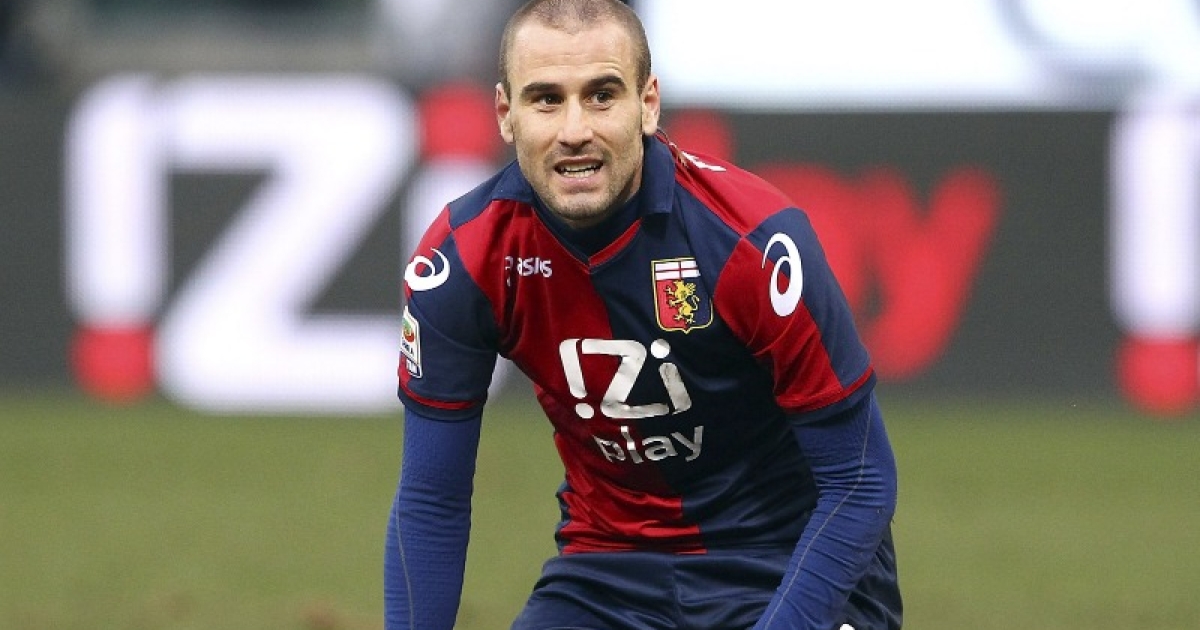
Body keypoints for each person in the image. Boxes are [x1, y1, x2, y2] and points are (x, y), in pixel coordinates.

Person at [384, 0, 902, 628]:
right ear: (506, 114)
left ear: (648, 104)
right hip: (608, 578)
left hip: (788, 566)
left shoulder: (753, 243)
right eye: (546, 100)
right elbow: (431, 499)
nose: (574, 130)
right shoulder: (462, 259)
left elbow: (859, 480)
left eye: (601, 96)